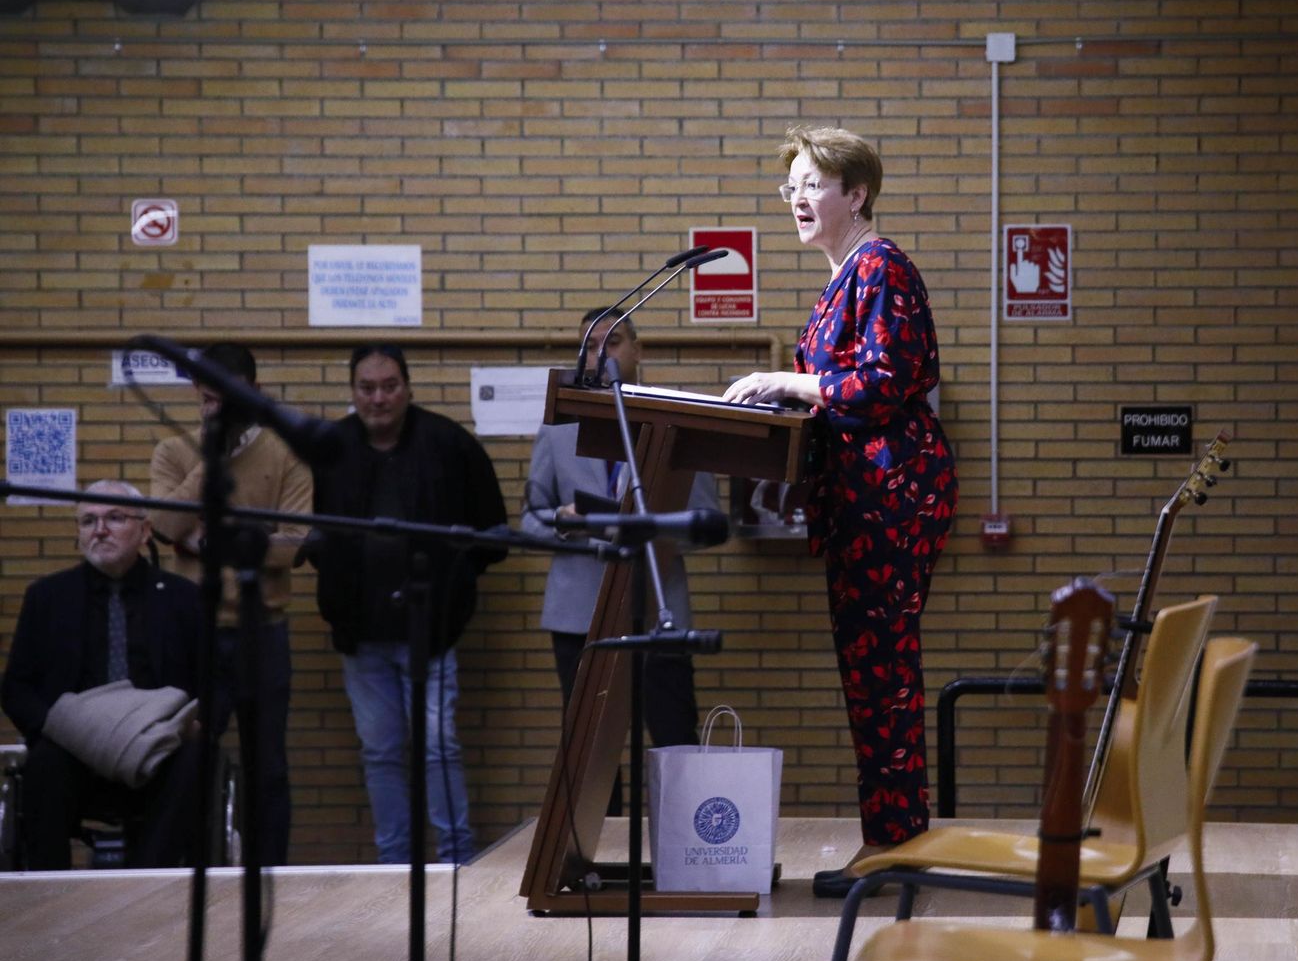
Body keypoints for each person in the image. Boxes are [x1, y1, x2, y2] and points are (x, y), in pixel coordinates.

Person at [724, 125, 958, 896]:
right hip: (861, 504)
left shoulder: (881, 265)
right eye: (789, 184)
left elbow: (883, 384)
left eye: (812, 182)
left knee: (883, 679)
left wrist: (787, 384)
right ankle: (892, 844)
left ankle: (894, 850)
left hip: (889, 499)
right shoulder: (845, 277)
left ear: (856, 194)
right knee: (873, 680)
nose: (796, 196)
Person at [306, 345, 506, 864]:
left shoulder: (448, 443)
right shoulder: (330, 448)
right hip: (360, 634)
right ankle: (393, 865)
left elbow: (494, 533)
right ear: (352, 392)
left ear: (408, 387)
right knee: (381, 754)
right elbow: (305, 532)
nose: (378, 398)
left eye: (389, 385)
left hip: (432, 633)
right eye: (367, 388)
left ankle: (456, 861)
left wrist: (454, 579)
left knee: (438, 748)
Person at [523, 308, 718, 761]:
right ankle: (595, 836)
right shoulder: (558, 427)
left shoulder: (677, 420)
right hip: (579, 616)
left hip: (657, 608)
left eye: (611, 342)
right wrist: (567, 522)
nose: (599, 354)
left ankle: (677, 834)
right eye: (589, 346)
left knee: (675, 742)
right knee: (587, 752)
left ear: (637, 350)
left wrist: (649, 530)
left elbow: (707, 521)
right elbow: (531, 521)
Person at [148, 342, 311, 866]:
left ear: (254, 394)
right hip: (193, 627)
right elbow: (165, 526)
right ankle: (186, 872)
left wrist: (214, 537)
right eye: (208, 400)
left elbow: (292, 547)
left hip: (262, 628)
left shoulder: (288, 454)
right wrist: (210, 462)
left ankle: (270, 874)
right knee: (187, 758)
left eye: (230, 401)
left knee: (269, 767)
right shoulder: (174, 453)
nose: (217, 410)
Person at [0, 480, 204, 869]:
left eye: (114, 517)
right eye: (88, 521)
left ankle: (146, 884)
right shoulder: (47, 597)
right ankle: (48, 895)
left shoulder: (183, 598)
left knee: (196, 759)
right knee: (42, 764)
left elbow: (217, 679)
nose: (100, 530)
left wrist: (200, 722)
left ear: (145, 532)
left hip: (159, 745)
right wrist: (57, 726)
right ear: (78, 535)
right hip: (73, 748)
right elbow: (16, 688)